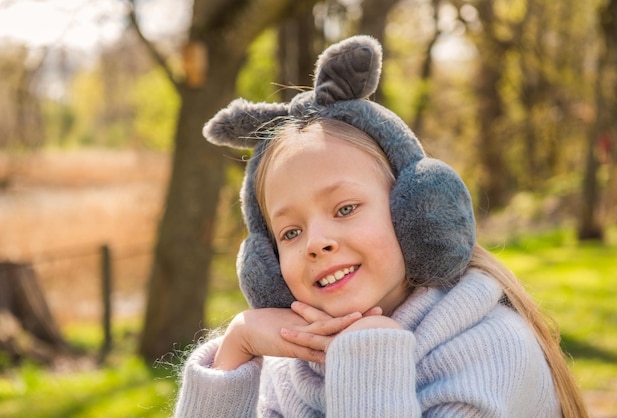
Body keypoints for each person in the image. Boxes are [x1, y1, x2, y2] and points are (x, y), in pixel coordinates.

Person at [174, 35, 588, 417]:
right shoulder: (289, 369)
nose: (316, 243)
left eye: (346, 209)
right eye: (291, 233)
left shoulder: (492, 351)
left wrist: (367, 355)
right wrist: (235, 349)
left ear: (418, 212)